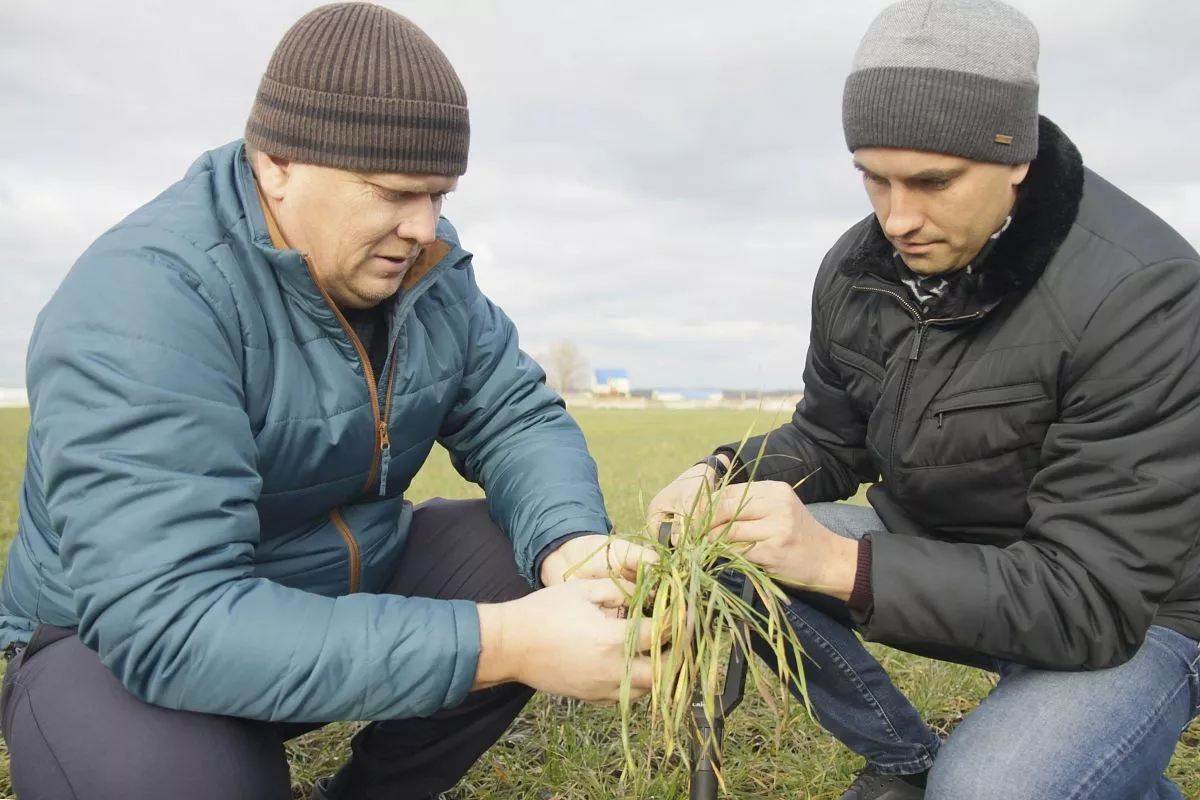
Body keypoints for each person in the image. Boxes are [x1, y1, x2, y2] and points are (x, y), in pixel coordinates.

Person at [0, 4, 658, 799]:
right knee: (177, 782)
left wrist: (570, 545)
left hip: (327, 592)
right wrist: (505, 643)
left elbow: (514, 415)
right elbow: (167, 620)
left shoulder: (426, 272)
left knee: (526, 564)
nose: (422, 227)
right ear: (277, 163)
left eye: (439, 195)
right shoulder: (146, 299)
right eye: (393, 193)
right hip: (114, 650)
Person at [650, 1, 1200, 798]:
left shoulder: (1144, 294)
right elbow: (829, 437)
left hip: (1132, 613)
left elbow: (1092, 599)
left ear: (1016, 157)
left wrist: (835, 562)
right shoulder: (858, 268)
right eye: (873, 177)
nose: (897, 217)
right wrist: (721, 474)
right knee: (729, 549)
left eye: (933, 181)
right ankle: (906, 764)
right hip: (950, 558)